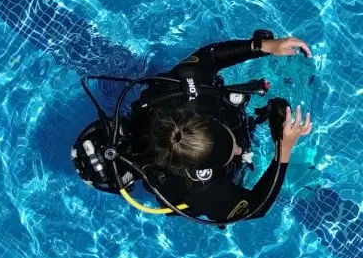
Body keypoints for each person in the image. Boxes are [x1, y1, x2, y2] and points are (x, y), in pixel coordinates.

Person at [72, 31, 313, 226]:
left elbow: (210, 57)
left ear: (204, 119)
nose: (240, 150)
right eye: (233, 151)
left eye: (233, 145)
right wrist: (284, 150)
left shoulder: (176, 93)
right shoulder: (197, 190)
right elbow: (255, 209)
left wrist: (265, 46)